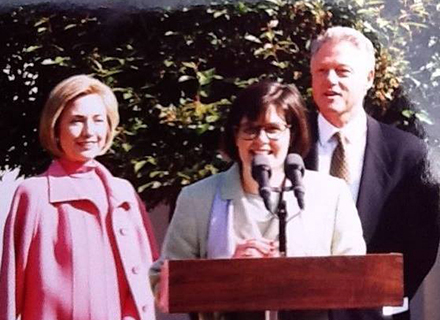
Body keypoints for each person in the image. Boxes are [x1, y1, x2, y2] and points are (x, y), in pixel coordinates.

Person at [150, 80, 366, 320]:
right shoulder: (197, 198)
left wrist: (291, 273)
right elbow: (163, 284)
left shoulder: (331, 195)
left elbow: (357, 280)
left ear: (292, 134)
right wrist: (228, 274)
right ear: (235, 135)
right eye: (250, 129)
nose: (261, 140)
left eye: (273, 129)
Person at [305, 26, 440, 320]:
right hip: (299, 311)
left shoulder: (409, 154)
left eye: (342, 71)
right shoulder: (289, 147)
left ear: (368, 78)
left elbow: (423, 242)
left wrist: (383, 297)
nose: (331, 80)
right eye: (322, 70)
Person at [0, 74, 158, 320]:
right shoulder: (34, 194)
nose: (89, 131)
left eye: (98, 120)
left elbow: (147, 275)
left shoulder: (123, 193)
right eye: (76, 121)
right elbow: (10, 290)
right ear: (55, 127)